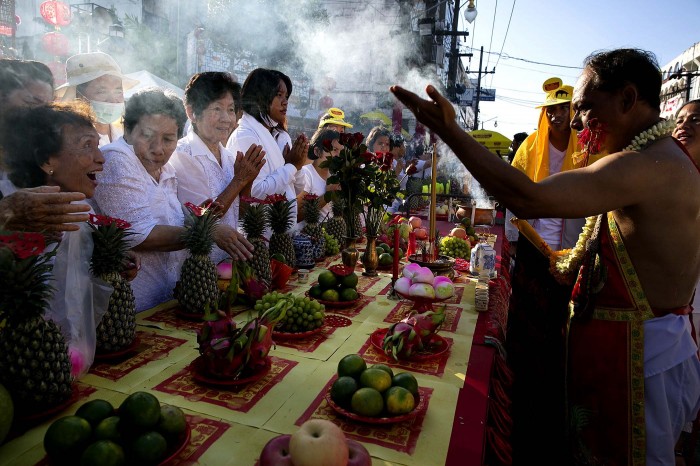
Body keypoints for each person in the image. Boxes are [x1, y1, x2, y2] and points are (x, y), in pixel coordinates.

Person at [391, 48, 700, 466]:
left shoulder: (646, 164)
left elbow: (527, 197)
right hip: (631, 351)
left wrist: (451, 131)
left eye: (587, 108)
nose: (578, 123)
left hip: (638, 362)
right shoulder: (653, 158)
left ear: (627, 99)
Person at [93, 88, 253, 311]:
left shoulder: (167, 169)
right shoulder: (117, 159)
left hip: (165, 299)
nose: (158, 149)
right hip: (130, 305)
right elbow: (139, 233)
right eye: (147, 136)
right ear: (127, 130)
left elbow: (181, 218)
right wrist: (207, 231)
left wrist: (203, 218)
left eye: (168, 139)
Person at [169, 72, 265, 263]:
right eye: (217, 109)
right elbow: (203, 218)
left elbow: (240, 213)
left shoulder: (229, 157)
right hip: (197, 266)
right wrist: (239, 180)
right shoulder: (182, 153)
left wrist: (248, 180)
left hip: (227, 265)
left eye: (230, 110)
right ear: (192, 113)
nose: (227, 119)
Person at [226, 68, 309, 235]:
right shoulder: (245, 136)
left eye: (286, 97)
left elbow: (300, 188)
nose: (285, 102)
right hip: (259, 237)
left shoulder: (281, 136)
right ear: (260, 97)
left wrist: (296, 165)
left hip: (285, 233)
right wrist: (291, 166)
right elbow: (255, 193)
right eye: (279, 95)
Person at [507, 78, 585, 251]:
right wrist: (512, 236)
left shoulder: (588, 147)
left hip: (573, 246)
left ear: (575, 110)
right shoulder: (529, 146)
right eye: (551, 109)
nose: (556, 114)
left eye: (564, 108)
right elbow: (513, 188)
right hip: (532, 242)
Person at [56, 52, 138, 147]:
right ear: (80, 96)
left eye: (118, 92)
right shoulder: (69, 140)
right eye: (102, 92)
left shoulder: (126, 135)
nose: (112, 100)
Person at [297, 128, 341, 222]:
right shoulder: (306, 174)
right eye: (334, 150)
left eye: (341, 151)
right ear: (317, 151)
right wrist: (328, 195)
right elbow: (298, 214)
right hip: (307, 235)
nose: (338, 155)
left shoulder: (335, 177)